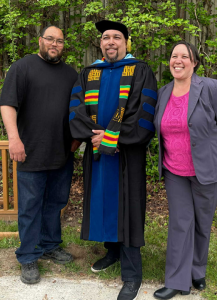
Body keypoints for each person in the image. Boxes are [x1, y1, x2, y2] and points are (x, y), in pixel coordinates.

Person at [69, 20, 157, 300]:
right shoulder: (89, 72)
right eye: (105, 37)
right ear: (100, 43)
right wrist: (94, 138)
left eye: (116, 37)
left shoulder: (139, 70)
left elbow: (143, 113)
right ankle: (112, 251)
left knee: (128, 207)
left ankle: (132, 275)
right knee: (104, 202)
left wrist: (111, 139)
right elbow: (76, 109)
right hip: (98, 154)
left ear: (126, 43)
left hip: (126, 154)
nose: (110, 42)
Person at [153, 41, 217, 299]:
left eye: (184, 56)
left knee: (203, 223)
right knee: (181, 222)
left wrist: (208, 143)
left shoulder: (211, 87)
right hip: (174, 170)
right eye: (173, 56)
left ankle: (197, 270)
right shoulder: (163, 92)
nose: (177, 61)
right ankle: (177, 280)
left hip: (207, 169)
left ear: (194, 62)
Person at [0, 26, 79, 284]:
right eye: (50, 39)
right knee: (30, 206)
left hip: (62, 152)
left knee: (55, 203)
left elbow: (79, 108)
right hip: (30, 151)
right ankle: (28, 255)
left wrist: (77, 138)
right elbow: (7, 104)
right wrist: (14, 139)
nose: (54, 44)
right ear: (40, 41)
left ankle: (49, 245)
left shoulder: (70, 74)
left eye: (59, 41)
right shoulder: (21, 68)